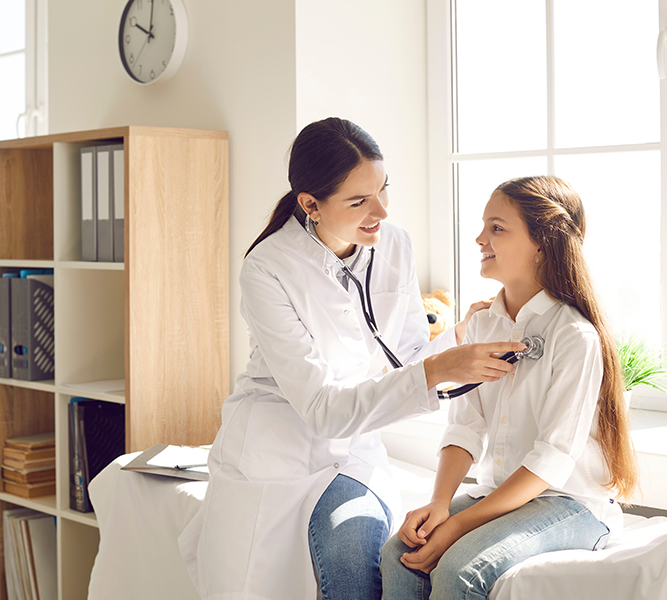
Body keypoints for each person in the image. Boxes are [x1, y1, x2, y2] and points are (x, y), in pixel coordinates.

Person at [177, 117, 524, 600]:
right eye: (359, 201)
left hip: (353, 454)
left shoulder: (393, 245)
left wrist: (459, 340)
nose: (380, 211)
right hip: (276, 452)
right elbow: (321, 409)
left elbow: (405, 357)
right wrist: (439, 368)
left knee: (358, 565)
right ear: (310, 204)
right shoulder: (267, 269)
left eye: (383, 190)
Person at [381, 175, 639, 600]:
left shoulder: (575, 335)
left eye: (497, 228)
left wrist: (459, 526)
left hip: (570, 503)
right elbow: (465, 428)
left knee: (460, 571)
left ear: (543, 243)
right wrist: (440, 504)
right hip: (502, 496)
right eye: (484, 225)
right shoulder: (483, 324)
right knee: (399, 554)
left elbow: (552, 459)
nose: (480, 237)